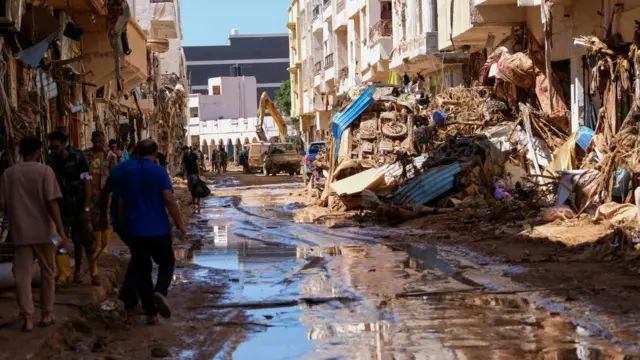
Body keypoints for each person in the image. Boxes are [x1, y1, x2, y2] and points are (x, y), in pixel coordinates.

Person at [112, 139, 187, 324]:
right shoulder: (159, 171)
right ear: (155, 153)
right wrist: (180, 224)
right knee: (167, 262)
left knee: (142, 269)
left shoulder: (126, 171)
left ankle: (151, 313)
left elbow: (120, 203)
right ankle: (160, 291)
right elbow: (169, 199)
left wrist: (123, 224)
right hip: (158, 228)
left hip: (135, 230)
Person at [0, 136, 69, 332]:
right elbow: (52, 203)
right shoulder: (45, 171)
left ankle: (28, 318)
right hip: (45, 233)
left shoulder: (8, 174)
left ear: (21, 152)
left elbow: (3, 205)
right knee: (48, 273)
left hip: (20, 233)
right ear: (38, 152)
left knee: (22, 276)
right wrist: (61, 231)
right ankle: (47, 314)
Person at [49, 131, 100, 286]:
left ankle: (94, 272)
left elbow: (87, 181)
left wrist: (86, 207)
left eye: (56, 146)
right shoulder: (51, 160)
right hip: (61, 207)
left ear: (64, 144)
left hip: (79, 205)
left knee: (88, 241)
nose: (54, 150)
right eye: (52, 147)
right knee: (58, 241)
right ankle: (64, 273)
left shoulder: (78, 157)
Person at [100, 145, 138, 310]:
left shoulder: (117, 170)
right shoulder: (141, 171)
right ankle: (129, 292)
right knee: (140, 255)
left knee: (139, 255)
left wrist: (103, 216)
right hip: (135, 221)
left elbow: (105, 193)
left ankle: (130, 293)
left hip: (120, 221)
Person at [85, 132, 118, 257]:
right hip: (90, 191)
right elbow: (82, 172)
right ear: (92, 140)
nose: (99, 144)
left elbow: (114, 174)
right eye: (96, 141)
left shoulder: (110, 156)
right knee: (93, 218)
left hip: (105, 192)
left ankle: (104, 245)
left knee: (104, 217)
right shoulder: (86, 155)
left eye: (101, 141)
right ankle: (97, 244)